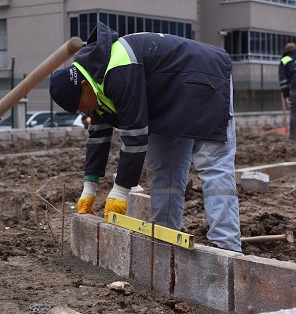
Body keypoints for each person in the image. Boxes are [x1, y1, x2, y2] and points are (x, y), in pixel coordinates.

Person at [49, 22, 241, 251]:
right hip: (168, 97)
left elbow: (135, 135)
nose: (84, 112)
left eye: (80, 105)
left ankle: (226, 244)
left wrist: (120, 191)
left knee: (212, 162)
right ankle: (167, 237)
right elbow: (98, 136)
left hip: (205, 77)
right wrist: (89, 187)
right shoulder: (95, 80)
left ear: (84, 85)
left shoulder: (118, 69)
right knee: (162, 166)